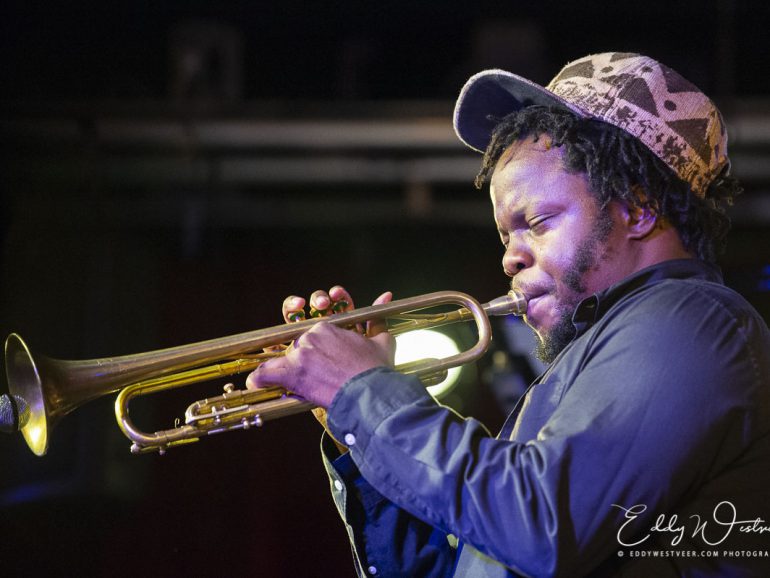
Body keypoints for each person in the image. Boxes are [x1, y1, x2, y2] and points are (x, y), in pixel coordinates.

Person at [247, 53, 770, 577]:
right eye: (505, 235)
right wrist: (354, 427)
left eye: (538, 221)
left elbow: (543, 526)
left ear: (637, 209)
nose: (509, 258)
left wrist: (365, 395)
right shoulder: (596, 359)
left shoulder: (691, 321)